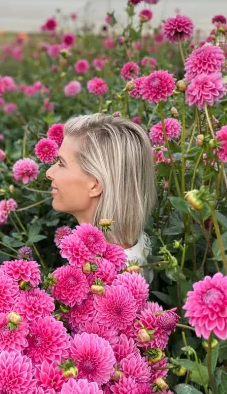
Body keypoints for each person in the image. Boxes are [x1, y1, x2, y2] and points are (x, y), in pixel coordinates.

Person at [46, 113, 156, 279]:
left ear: (95, 185)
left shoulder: (108, 279)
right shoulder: (138, 244)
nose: (48, 172)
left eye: (62, 163)